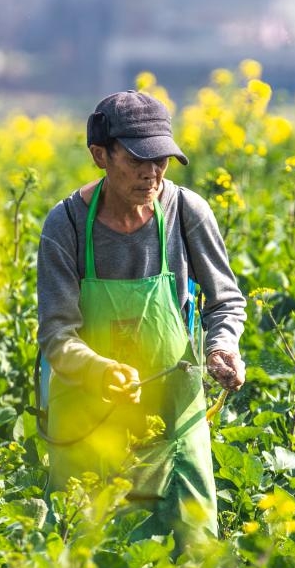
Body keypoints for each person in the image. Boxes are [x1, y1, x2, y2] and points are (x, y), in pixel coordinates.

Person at [36, 90, 246, 544]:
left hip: (172, 409)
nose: (151, 173)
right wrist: (98, 368)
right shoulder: (66, 225)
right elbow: (55, 335)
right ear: (100, 155)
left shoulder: (187, 212)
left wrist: (221, 347)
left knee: (193, 550)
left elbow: (226, 300)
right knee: (84, 550)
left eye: (162, 160)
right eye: (137, 159)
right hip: (87, 414)